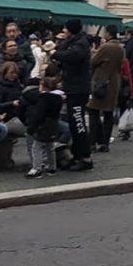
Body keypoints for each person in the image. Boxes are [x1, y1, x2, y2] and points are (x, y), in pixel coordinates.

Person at [52, 18, 93, 171]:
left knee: (78, 123)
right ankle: (77, 155)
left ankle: (84, 157)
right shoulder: (75, 42)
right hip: (73, 88)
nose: (63, 31)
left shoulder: (80, 43)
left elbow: (71, 56)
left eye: (65, 28)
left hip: (77, 89)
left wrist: (56, 54)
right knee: (75, 123)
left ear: (70, 29)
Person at [87, 26, 123, 153]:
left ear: (108, 34)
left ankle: (92, 141)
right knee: (108, 113)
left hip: (101, 82)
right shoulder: (120, 48)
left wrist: (93, 51)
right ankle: (105, 142)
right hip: (114, 83)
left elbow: (93, 61)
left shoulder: (106, 47)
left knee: (93, 110)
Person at [22, 74, 65, 178]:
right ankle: (52, 167)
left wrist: (31, 128)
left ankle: (36, 169)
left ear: (43, 86)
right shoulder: (58, 98)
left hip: (42, 126)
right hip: (53, 124)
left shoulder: (44, 99)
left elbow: (39, 115)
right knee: (50, 146)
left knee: (36, 147)